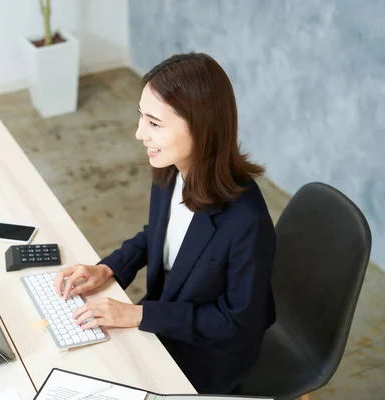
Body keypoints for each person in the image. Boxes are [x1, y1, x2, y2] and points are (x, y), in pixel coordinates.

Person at [53, 52, 276, 394]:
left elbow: (236, 324)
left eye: (154, 124)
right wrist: (109, 269)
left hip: (208, 353)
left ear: (201, 128)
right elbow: (156, 235)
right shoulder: (170, 169)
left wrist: (139, 316)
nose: (140, 133)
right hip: (168, 314)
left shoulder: (248, 220)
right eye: (141, 117)